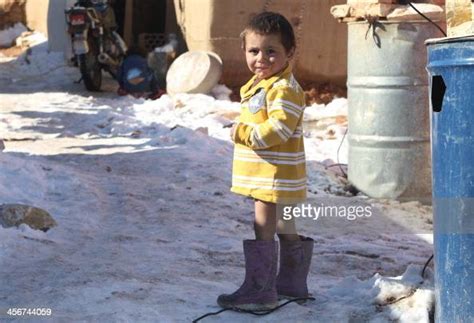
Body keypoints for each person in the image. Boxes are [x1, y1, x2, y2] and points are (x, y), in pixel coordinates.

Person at [217, 12, 314, 311]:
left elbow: (279, 128)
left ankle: (260, 290)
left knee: (264, 226)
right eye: (254, 50)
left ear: (290, 53)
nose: (261, 58)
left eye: (271, 51)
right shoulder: (266, 83)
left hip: (270, 175)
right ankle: (291, 283)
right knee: (285, 223)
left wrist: (243, 133)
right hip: (275, 173)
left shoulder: (283, 88)